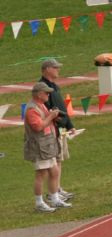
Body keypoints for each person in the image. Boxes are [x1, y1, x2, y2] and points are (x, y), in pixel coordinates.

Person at [24, 82, 71, 212]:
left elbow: (45, 122)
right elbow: (38, 127)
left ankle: (54, 198)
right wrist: (51, 116)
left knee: (54, 171)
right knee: (41, 174)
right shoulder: (32, 109)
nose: (48, 95)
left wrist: (53, 116)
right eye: (46, 93)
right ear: (39, 94)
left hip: (47, 144)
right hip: (39, 146)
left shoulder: (41, 105)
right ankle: (39, 203)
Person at [39, 58, 78, 204]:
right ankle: (52, 192)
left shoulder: (54, 86)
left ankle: (57, 188)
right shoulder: (43, 87)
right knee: (54, 161)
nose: (58, 70)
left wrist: (69, 125)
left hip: (60, 127)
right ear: (47, 69)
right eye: (55, 68)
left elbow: (61, 107)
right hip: (53, 128)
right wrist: (60, 122)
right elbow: (48, 110)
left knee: (59, 159)